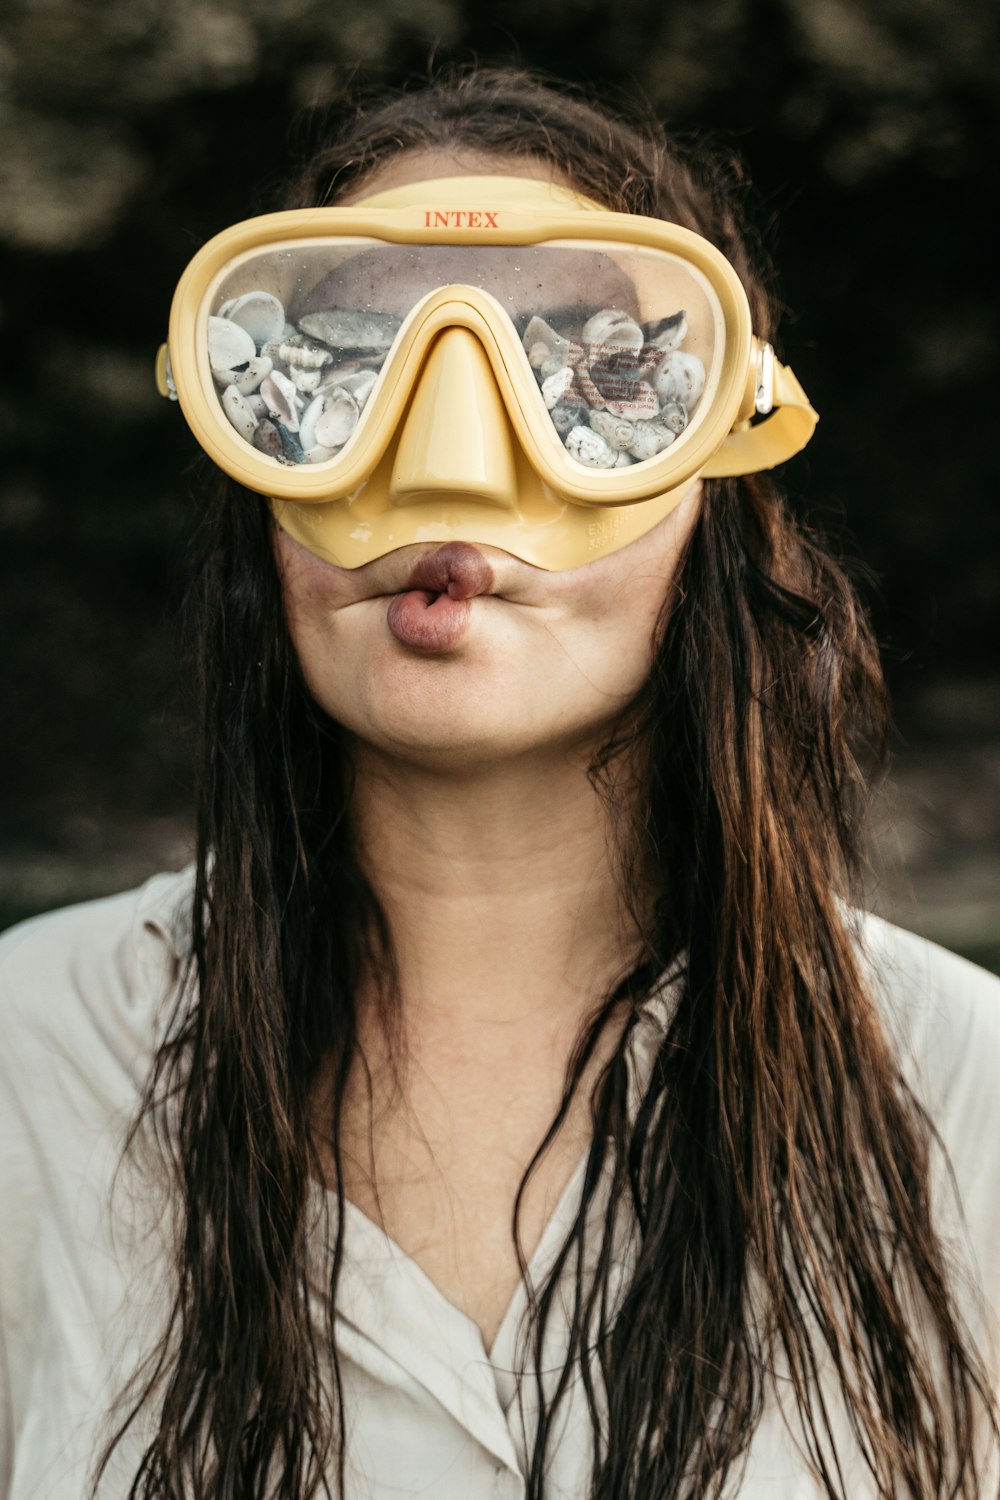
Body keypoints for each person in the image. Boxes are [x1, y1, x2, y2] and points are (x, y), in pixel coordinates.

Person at [1, 65, 998, 1500]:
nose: (453, 459)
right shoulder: (31, 1061)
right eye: (343, 363)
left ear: (723, 463)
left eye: (582, 364)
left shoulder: (968, 1102)